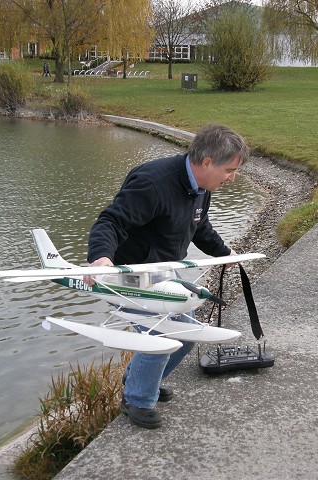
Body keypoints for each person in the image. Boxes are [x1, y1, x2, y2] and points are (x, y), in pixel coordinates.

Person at [85, 124, 249, 429]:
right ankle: (136, 399)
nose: (232, 178)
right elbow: (111, 220)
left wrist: (223, 253)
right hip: (129, 276)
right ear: (207, 162)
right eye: (229, 170)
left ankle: (139, 378)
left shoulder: (201, 187)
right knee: (163, 334)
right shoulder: (152, 182)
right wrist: (101, 258)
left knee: (185, 336)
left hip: (163, 270)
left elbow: (199, 226)